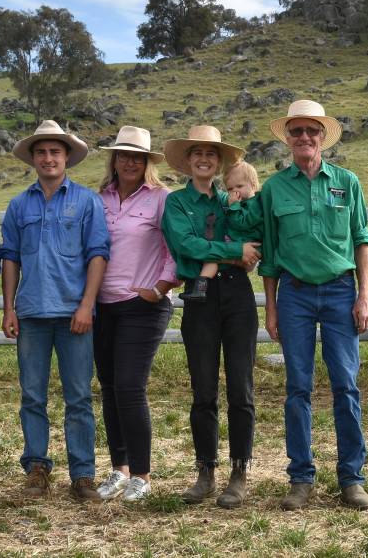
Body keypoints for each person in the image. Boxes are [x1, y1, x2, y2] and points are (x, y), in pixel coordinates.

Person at [258, 100, 368, 511]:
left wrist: (364, 296)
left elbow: (362, 241)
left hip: (341, 291)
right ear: (287, 139)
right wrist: (271, 308)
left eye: (312, 131)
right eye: (296, 132)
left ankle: (351, 478)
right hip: (295, 294)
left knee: (346, 384)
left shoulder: (347, 181)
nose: (304, 138)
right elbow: (270, 256)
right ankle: (300, 478)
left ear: (323, 137)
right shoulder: (274, 189)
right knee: (298, 387)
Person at [1, 120, 109, 503]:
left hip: (73, 314)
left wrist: (86, 305)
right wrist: (9, 307)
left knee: (78, 395)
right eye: (42, 152)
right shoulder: (19, 204)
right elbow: (10, 258)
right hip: (31, 313)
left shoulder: (86, 202)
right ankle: (36, 468)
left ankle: (82, 474)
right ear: (33, 158)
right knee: (32, 395)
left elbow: (98, 255)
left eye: (55, 152)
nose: (48, 158)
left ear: (67, 158)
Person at [161, 125, 262, 508]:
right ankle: (205, 470)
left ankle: (239, 471)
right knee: (203, 389)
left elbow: (257, 240)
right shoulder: (176, 204)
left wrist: (241, 252)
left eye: (211, 154)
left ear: (219, 162)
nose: (204, 159)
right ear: (188, 160)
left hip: (236, 294)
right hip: (199, 297)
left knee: (241, 386)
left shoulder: (232, 198)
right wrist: (236, 250)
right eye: (197, 153)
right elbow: (184, 245)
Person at [92, 126, 177, 502]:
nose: (129, 161)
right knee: (110, 388)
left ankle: (142, 474)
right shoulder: (100, 198)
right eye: (123, 155)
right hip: (103, 305)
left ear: (146, 163)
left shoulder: (161, 199)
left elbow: (175, 247)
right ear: (114, 160)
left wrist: (161, 286)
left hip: (143, 306)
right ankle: (119, 470)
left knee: (129, 386)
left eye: (137, 156)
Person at [180, 161, 262, 302]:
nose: (235, 192)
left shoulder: (255, 205)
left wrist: (234, 207)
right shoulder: (242, 203)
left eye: (240, 186)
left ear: (253, 185)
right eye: (230, 189)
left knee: (214, 255)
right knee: (213, 257)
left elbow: (241, 223)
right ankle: (200, 289)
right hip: (239, 243)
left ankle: (200, 288)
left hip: (248, 243)